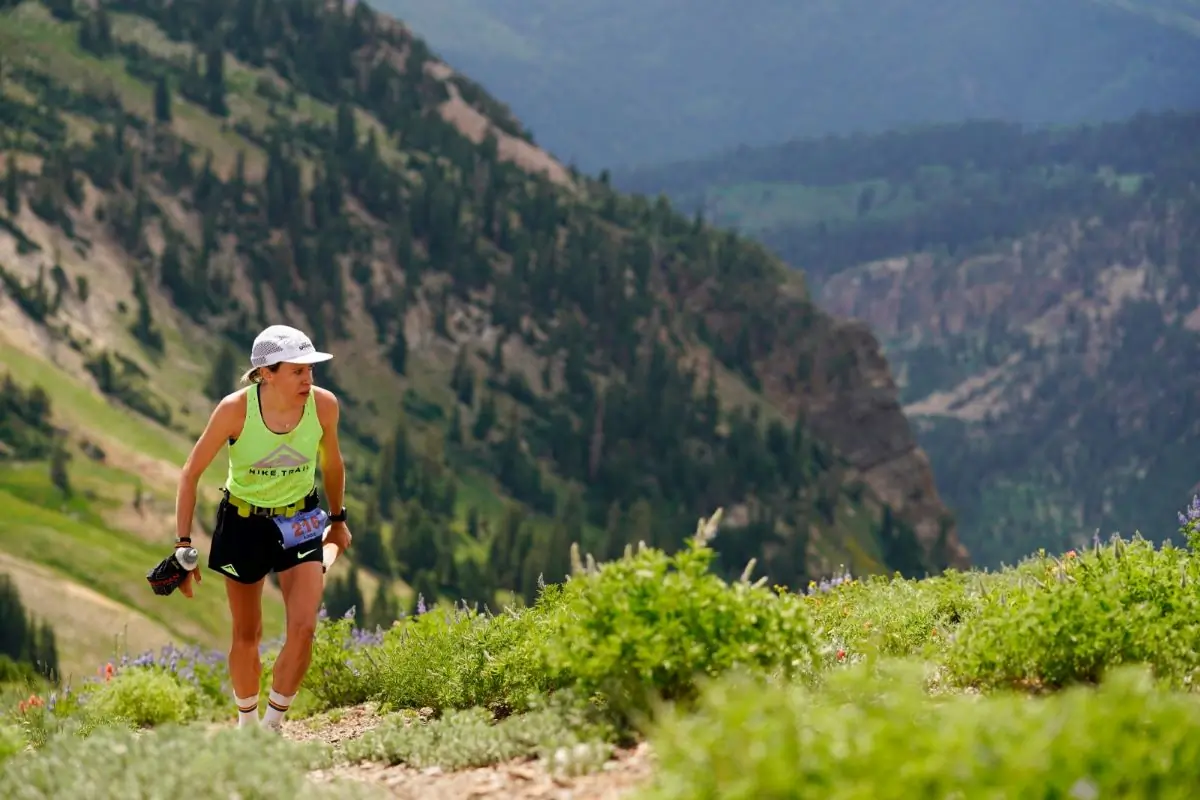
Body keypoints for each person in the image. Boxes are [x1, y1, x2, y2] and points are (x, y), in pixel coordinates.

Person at [171, 324, 353, 732]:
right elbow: (190, 473)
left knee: (304, 628)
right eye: (298, 371)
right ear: (266, 373)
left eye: (311, 370)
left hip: (301, 519)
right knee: (247, 632)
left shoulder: (324, 406)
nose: (309, 379)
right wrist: (183, 545)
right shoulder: (235, 410)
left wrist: (338, 520)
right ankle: (246, 724)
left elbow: (332, 464)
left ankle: (271, 727)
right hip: (242, 523)